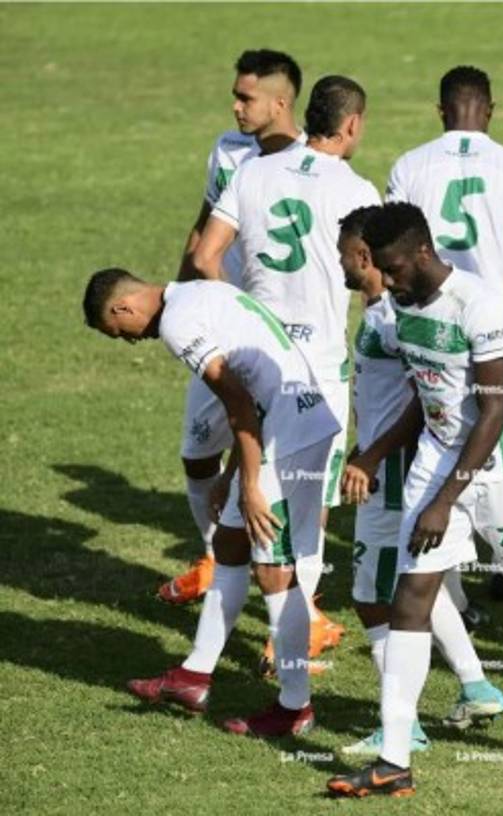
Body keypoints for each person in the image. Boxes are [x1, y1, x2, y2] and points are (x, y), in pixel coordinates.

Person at [327, 204, 503, 799]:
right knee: (411, 597)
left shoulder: (479, 306)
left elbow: (494, 411)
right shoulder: (400, 304)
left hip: (502, 468)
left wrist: (444, 501)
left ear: (422, 251)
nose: (389, 280)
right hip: (437, 457)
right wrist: (373, 455)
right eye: (381, 269)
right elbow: (427, 396)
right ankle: (394, 759)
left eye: (395, 267)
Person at [84, 269, 339, 737]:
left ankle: (295, 707)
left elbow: (240, 403)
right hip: (295, 422)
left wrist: (250, 483)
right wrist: (231, 473)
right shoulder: (203, 292)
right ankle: (194, 677)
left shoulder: (178, 323)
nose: (128, 342)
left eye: (118, 334)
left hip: (290, 437)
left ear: (123, 308)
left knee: (274, 572)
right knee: (230, 545)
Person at [190, 74, 383, 665]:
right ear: (351, 125)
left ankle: (237, 633)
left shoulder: (251, 170)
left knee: (248, 478)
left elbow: (203, 255)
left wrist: (237, 317)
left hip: (253, 356)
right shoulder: (358, 190)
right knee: (306, 502)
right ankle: (294, 627)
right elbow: (375, 286)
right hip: (317, 367)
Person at [335, 206, 503, 758]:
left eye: (344, 254)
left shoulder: (395, 314)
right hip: (391, 467)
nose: (340, 263)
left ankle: (403, 725)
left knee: (371, 596)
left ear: (365, 255)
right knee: (418, 586)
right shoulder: (389, 308)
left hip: (391, 475)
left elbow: (430, 393)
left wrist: (373, 454)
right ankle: (476, 684)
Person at [385, 64, 503, 606]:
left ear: (441, 111)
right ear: (490, 110)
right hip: (501, 322)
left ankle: (450, 574)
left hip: (432, 323)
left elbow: (389, 247)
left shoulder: (410, 164)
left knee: (439, 431)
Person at [163, 48, 304, 606]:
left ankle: (301, 602)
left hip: (287, 339)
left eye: (246, 97)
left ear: (280, 101)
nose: (236, 105)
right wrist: (177, 302)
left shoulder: (308, 162)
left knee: (284, 471)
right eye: (236, 94)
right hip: (222, 326)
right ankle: (214, 555)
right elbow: (202, 235)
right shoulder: (226, 150)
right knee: (198, 454)